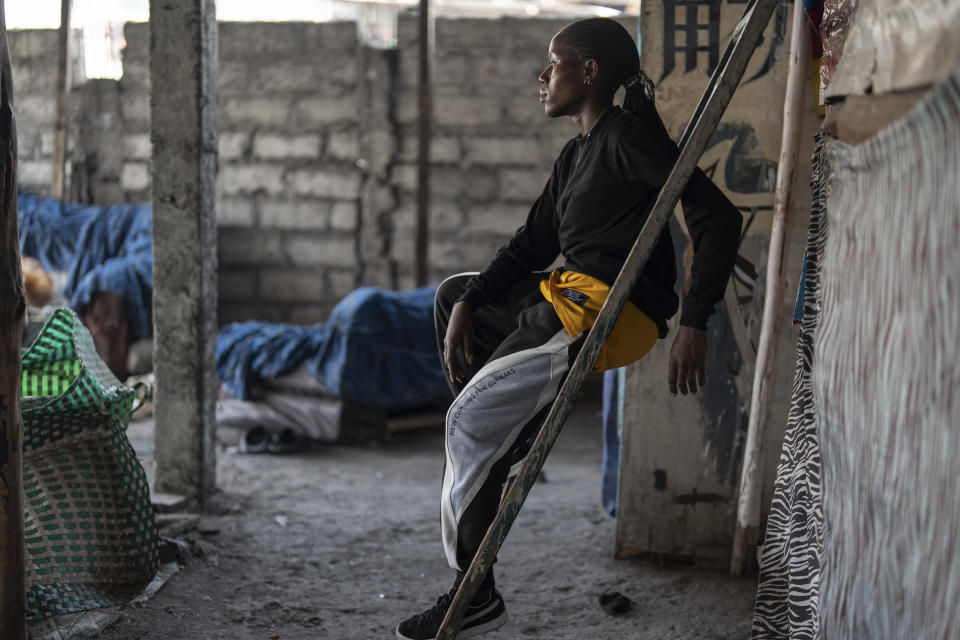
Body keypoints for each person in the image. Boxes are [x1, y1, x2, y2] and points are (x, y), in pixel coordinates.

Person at [395, 17, 742, 640]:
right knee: (454, 297)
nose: (541, 77)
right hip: (567, 293)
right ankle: (502, 438)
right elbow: (534, 242)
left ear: (589, 73)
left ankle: (474, 594)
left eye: (552, 65)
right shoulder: (578, 151)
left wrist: (695, 319)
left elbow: (714, 214)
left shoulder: (627, 138)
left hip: (608, 308)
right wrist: (472, 301)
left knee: (466, 423)